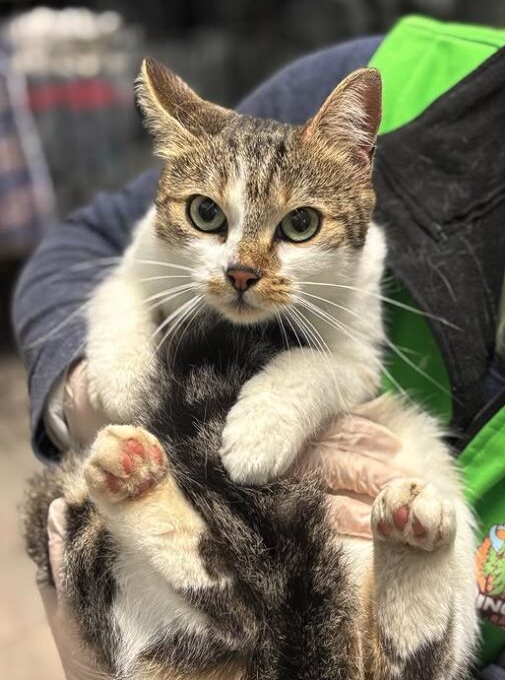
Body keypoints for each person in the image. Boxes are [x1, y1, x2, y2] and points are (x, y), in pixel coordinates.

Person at [13, 35, 505, 679]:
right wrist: (86, 395)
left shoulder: (355, 272)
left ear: (359, 166)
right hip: (187, 558)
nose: (246, 269)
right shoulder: (417, 62)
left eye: (297, 227)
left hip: (357, 591)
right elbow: (92, 252)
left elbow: (352, 365)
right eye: (209, 216)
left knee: (432, 493)